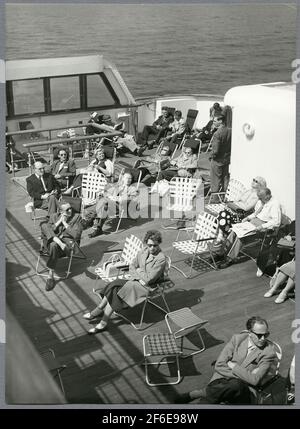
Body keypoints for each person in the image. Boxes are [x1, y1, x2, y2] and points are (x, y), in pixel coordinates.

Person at [176, 316, 276, 404]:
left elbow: (255, 380)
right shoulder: (237, 339)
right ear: (250, 332)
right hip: (221, 381)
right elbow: (219, 365)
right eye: (259, 335)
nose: (263, 339)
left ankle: (200, 395)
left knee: (236, 384)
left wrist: (233, 366)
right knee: (233, 385)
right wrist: (246, 375)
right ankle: (200, 395)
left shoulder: (268, 352)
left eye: (266, 335)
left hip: (244, 391)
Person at [83, 230, 166, 333]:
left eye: (155, 245)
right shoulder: (143, 251)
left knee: (116, 293)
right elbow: (132, 266)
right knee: (114, 284)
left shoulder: (161, 259)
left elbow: (149, 278)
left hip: (147, 286)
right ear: (146, 243)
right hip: (137, 281)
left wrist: (138, 271)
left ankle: (102, 321)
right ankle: (99, 310)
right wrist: (139, 275)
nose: (152, 248)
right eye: (149, 245)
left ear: (158, 244)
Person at [218, 188, 282, 269]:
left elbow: (276, 222)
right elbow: (256, 213)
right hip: (253, 222)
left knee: (241, 236)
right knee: (234, 231)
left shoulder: (274, 204)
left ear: (267, 197)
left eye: (261, 198)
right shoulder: (263, 201)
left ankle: (230, 258)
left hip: (262, 226)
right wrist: (247, 218)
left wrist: (261, 226)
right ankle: (222, 253)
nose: (259, 200)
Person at [40, 201, 85, 291]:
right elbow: (47, 230)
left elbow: (76, 235)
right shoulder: (54, 216)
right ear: (61, 211)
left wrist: (65, 223)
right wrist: (59, 222)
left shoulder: (77, 217)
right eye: (67, 209)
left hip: (66, 247)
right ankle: (58, 242)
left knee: (53, 244)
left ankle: (50, 275)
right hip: (53, 243)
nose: (70, 210)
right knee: (44, 225)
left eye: (70, 208)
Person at [85, 171, 139, 238]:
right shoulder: (117, 186)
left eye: (130, 178)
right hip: (110, 204)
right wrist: (110, 196)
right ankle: (98, 228)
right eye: (126, 178)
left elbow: (133, 199)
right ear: (123, 179)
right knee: (104, 203)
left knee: (103, 202)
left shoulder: (133, 189)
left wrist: (120, 198)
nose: (128, 180)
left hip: (121, 207)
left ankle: (92, 219)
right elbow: (107, 193)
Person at [209, 115, 231, 201]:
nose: (213, 123)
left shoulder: (217, 133)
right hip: (226, 159)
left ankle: (215, 199)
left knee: (215, 180)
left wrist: (211, 156)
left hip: (217, 160)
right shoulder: (230, 131)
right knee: (225, 179)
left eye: (214, 121)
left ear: (220, 121)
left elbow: (215, 150)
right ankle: (225, 197)